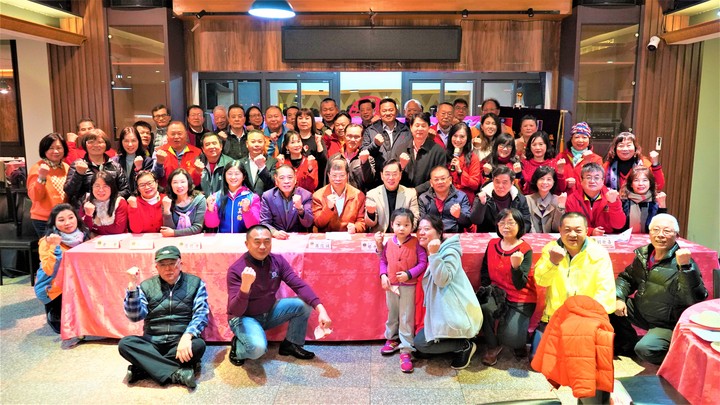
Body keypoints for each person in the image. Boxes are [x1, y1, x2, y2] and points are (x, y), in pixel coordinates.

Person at [226, 225, 333, 365]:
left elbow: (298, 285)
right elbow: (235, 311)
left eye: (267, 241)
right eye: (257, 242)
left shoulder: (277, 261)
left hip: (268, 312)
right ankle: (238, 347)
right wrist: (245, 287)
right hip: (244, 317)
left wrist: (321, 310)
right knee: (257, 349)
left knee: (303, 304)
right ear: (247, 244)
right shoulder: (236, 269)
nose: (262, 246)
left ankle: (291, 344)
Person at [611, 214, 708, 364]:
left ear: (677, 235)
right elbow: (626, 279)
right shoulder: (644, 256)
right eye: (655, 230)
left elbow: (694, 299)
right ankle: (627, 344)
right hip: (642, 311)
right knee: (608, 303)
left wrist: (686, 268)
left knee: (645, 349)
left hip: (665, 322)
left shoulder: (684, 263)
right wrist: (619, 298)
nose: (660, 235)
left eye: (667, 231)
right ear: (649, 233)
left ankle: (683, 362)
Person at [118, 246, 209, 389]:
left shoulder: (196, 283)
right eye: (163, 265)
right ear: (156, 267)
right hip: (152, 342)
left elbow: (201, 314)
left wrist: (187, 336)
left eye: (172, 263)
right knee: (125, 344)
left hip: (180, 343)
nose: (168, 269)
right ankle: (177, 374)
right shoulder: (146, 286)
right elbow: (135, 316)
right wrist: (132, 287)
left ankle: (144, 368)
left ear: (180, 264)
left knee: (198, 346)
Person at [412, 215, 482, 370]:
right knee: (420, 346)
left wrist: (434, 255)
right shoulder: (428, 250)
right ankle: (449, 342)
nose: (421, 232)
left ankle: (464, 345)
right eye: (419, 229)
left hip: (454, 314)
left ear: (439, 232)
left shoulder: (449, 250)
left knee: (421, 344)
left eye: (427, 229)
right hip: (442, 312)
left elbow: (442, 280)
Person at [533, 211, 616, 326]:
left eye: (578, 230)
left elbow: (605, 293)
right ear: (560, 230)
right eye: (567, 230)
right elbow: (541, 281)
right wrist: (553, 262)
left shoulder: (599, 253)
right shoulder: (551, 249)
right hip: (555, 318)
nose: (572, 234)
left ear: (586, 231)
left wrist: (586, 317)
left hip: (587, 319)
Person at [478, 209, 536, 366]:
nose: (506, 226)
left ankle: (515, 338)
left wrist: (516, 267)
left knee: (512, 338)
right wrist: (486, 291)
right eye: (502, 222)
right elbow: (485, 270)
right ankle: (492, 346)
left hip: (520, 296)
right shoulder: (492, 244)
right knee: (484, 307)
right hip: (497, 293)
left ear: (520, 225)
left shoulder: (525, 249)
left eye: (511, 222)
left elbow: (520, 284)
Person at [374, 209, 428, 373]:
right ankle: (392, 338)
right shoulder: (389, 243)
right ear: (392, 225)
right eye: (398, 224)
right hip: (391, 285)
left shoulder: (416, 243)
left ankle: (406, 348)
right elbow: (383, 260)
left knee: (406, 316)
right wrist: (383, 275)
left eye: (406, 225)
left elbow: (423, 263)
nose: (402, 228)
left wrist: (409, 274)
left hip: (408, 286)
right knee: (392, 313)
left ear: (412, 226)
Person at [36, 204, 89, 333]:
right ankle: (53, 311)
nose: (67, 223)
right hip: (54, 287)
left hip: (75, 283)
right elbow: (50, 270)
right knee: (63, 327)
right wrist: (55, 246)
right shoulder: (47, 241)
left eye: (71, 217)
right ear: (53, 223)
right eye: (61, 220)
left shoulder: (82, 235)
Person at [64, 128, 129, 210]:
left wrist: (108, 197)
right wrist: (78, 174)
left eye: (100, 142)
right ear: (85, 144)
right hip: (85, 211)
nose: (95, 145)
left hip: (110, 211)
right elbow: (69, 192)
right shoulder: (77, 164)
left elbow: (125, 190)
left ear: (106, 144)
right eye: (91, 142)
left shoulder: (115, 166)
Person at [563, 162, 626, 235]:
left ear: (603, 181)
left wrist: (614, 203)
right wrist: (591, 231)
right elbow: (570, 224)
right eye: (588, 177)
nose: (592, 181)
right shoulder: (572, 199)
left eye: (596, 178)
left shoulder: (611, 196)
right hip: (581, 236)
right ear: (581, 180)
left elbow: (619, 225)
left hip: (607, 237)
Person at [28, 133, 70, 237]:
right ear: (44, 150)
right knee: (49, 247)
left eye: (59, 148)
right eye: (51, 148)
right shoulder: (37, 168)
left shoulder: (66, 167)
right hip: (44, 219)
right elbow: (35, 197)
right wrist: (42, 177)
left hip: (65, 218)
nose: (56, 151)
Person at [312, 156, 366, 233]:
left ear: (347, 175)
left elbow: (362, 221)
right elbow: (318, 224)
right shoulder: (318, 195)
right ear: (328, 175)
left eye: (342, 175)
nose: (337, 179)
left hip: (350, 237)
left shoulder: (359, 195)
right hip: (327, 238)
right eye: (334, 175)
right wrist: (328, 208)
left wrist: (356, 227)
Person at [362, 98, 412, 182]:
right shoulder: (370, 130)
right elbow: (363, 152)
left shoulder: (406, 130)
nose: (388, 113)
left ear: (396, 111)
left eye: (391, 110)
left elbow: (411, 153)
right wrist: (375, 145)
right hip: (376, 179)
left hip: (401, 178)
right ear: (379, 112)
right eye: (384, 111)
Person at [471, 166, 531, 233]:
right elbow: (475, 221)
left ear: (512, 183)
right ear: (493, 181)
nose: (500, 186)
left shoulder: (520, 199)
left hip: (512, 235)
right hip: (489, 235)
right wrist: (481, 204)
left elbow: (526, 223)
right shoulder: (482, 196)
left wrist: (514, 233)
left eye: (504, 182)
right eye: (497, 182)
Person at [365, 159, 419, 233]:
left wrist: (402, 233)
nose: (391, 178)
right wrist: (371, 214)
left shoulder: (410, 194)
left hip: (403, 235)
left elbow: (415, 220)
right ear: (382, 176)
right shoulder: (372, 194)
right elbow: (369, 224)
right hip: (380, 235)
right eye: (387, 174)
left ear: (400, 175)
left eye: (394, 174)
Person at [260, 164, 315, 238]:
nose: (286, 181)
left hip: (298, 238)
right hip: (277, 238)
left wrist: (300, 209)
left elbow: (308, 223)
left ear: (295, 179)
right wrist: (274, 232)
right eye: (282, 178)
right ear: (276, 180)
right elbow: (264, 222)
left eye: (290, 177)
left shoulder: (306, 195)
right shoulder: (268, 196)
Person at [398, 113, 447, 195]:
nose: (420, 128)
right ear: (411, 127)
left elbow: (439, 177)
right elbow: (393, 174)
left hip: (428, 197)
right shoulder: (401, 148)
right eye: (417, 125)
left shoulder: (438, 151)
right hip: (403, 194)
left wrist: (416, 190)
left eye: (423, 126)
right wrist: (401, 167)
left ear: (429, 128)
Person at [204, 161, 260, 233]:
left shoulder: (252, 197)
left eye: (237, 174)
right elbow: (211, 225)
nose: (233, 177)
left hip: (244, 238)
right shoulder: (216, 196)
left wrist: (246, 210)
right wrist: (210, 210)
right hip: (223, 238)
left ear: (244, 176)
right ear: (224, 176)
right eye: (229, 174)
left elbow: (254, 226)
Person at [418, 166, 472, 233]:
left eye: (443, 178)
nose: (440, 182)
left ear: (450, 180)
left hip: (454, 235)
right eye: (436, 179)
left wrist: (459, 215)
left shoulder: (461, 196)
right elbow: (421, 222)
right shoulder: (423, 198)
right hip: (431, 235)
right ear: (431, 183)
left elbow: (468, 223)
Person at [112, 126, 161, 196]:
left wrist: (139, 169)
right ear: (121, 142)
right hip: (120, 199)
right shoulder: (114, 161)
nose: (130, 144)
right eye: (126, 141)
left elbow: (147, 186)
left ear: (139, 141)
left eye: (133, 141)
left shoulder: (148, 161)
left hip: (140, 199)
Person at [327, 123, 375, 193]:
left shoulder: (368, 159)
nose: (352, 139)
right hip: (337, 196)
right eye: (349, 136)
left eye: (356, 137)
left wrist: (365, 162)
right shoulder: (334, 158)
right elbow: (327, 182)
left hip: (358, 197)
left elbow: (369, 181)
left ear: (362, 139)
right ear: (344, 137)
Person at [154, 121, 203, 188]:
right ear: (167, 136)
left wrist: (198, 172)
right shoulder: (159, 152)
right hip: (166, 192)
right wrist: (159, 163)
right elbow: (155, 176)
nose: (176, 137)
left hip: (191, 191)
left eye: (179, 133)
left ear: (186, 135)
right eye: (173, 134)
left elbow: (203, 178)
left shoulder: (197, 152)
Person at [620, 166, 667, 233]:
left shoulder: (655, 200)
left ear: (650, 183)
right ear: (631, 184)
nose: (640, 184)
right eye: (636, 180)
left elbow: (662, 226)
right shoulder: (623, 201)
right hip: (626, 238)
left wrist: (662, 206)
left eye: (645, 180)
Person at [556, 122, 603, 191]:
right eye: (577, 137)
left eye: (584, 137)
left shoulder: (596, 159)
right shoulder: (561, 156)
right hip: (565, 196)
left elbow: (597, 184)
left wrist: (587, 162)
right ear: (571, 139)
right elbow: (553, 184)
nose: (580, 140)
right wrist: (564, 182)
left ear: (589, 140)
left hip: (585, 197)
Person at [160, 169, 206, 237]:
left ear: (188, 183)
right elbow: (168, 231)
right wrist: (167, 211)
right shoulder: (167, 201)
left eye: (182, 182)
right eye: (175, 182)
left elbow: (197, 228)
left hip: (196, 240)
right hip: (174, 240)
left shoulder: (200, 200)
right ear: (170, 185)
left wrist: (175, 233)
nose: (179, 186)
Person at [81, 171, 129, 235]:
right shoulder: (86, 201)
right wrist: (88, 215)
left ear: (112, 188)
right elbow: (83, 228)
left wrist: (94, 228)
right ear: (92, 187)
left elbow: (118, 229)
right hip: (93, 239)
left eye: (105, 186)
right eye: (97, 186)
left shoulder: (120, 202)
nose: (101, 190)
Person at [520, 131, 567, 195]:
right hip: (529, 199)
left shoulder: (555, 163)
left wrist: (560, 172)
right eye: (534, 145)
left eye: (541, 144)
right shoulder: (523, 163)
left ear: (547, 145)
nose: (537, 148)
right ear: (530, 147)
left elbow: (561, 188)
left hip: (550, 199)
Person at [446, 122, 481, 204]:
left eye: (462, 137)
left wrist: (460, 171)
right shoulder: (444, 155)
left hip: (465, 200)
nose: (458, 140)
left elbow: (475, 184)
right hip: (446, 198)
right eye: (455, 136)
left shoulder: (473, 158)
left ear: (467, 138)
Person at [526, 166, 567, 233]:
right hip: (532, 237)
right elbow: (528, 225)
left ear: (554, 182)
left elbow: (556, 228)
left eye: (549, 179)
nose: (545, 182)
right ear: (536, 181)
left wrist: (561, 206)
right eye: (541, 179)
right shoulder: (527, 199)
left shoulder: (558, 199)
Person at [238, 130, 278, 196]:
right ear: (247, 144)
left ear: (264, 143)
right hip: (244, 200)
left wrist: (262, 167)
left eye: (260, 142)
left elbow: (273, 185)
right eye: (253, 142)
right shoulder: (240, 163)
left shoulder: (273, 162)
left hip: (265, 201)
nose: (256, 145)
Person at [197, 132, 234, 196]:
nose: (211, 146)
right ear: (203, 149)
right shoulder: (197, 164)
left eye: (214, 143)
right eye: (207, 144)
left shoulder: (230, 164)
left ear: (221, 146)